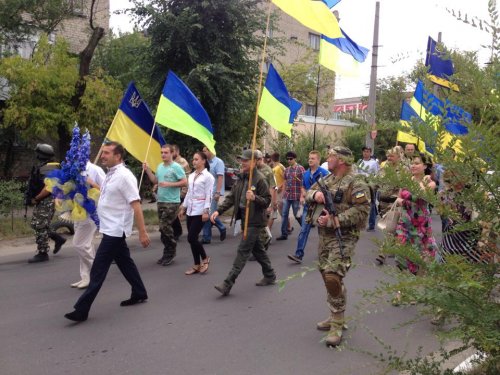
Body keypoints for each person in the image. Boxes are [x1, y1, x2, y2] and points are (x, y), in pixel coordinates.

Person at [64, 141, 150, 322]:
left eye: (106, 153)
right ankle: (139, 291)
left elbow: (136, 204)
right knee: (125, 262)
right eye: (102, 153)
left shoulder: (125, 176)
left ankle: (82, 309)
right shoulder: (112, 174)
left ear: (118, 156)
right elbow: (108, 193)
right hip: (110, 227)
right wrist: (92, 183)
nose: (102, 156)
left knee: (98, 270)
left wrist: (142, 232)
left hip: (116, 230)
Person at [305, 146, 370, 346]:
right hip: (324, 236)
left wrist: (335, 220)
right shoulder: (328, 180)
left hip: (344, 235)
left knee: (333, 275)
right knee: (327, 274)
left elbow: (362, 210)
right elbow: (308, 193)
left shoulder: (357, 182)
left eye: (331, 155)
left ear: (341, 160)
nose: (327, 158)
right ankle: (335, 314)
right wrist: (315, 196)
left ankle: (338, 323)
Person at [211, 149, 276, 296]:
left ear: (254, 162)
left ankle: (227, 283)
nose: (243, 163)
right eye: (242, 160)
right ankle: (270, 275)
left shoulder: (259, 179)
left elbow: (266, 201)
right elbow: (231, 198)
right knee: (258, 250)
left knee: (243, 250)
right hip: (244, 219)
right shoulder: (241, 178)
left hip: (254, 220)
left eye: (246, 160)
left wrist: (254, 198)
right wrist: (218, 211)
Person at [395, 153, 439, 275]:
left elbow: (420, 196)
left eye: (416, 163)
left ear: (425, 166)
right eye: (412, 163)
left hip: (421, 227)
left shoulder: (430, 182)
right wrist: (402, 200)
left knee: (418, 259)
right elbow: (398, 199)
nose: (413, 166)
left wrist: (421, 183)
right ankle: (401, 291)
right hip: (404, 224)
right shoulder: (406, 180)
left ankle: (413, 287)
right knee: (402, 259)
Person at [143, 144, 187, 266]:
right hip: (161, 201)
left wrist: (169, 184)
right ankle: (167, 252)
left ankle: (171, 248)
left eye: (166, 152)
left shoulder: (176, 167)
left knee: (164, 226)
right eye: (162, 152)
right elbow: (155, 181)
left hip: (172, 202)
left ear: (172, 153)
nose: (163, 155)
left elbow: (184, 182)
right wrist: (147, 170)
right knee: (163, 229)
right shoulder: (160, 167)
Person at [26, 143, 66, 263]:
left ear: (42, 154)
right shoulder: (46, 166)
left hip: (46, 200)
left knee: (38, 224)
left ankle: (43, 253)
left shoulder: (48, 167)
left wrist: (36, 198)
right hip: (45, 200)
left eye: (38, 153)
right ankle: (57, 238)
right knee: (40, 224)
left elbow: (49, 187)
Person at [288, 150, 328, 264]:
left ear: (318, 160)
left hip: (321, 207)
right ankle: (298, 254)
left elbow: (329, 189)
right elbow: (302, 187)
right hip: (308, 206)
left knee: (323, 231)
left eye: (313, 158)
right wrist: (302, 195)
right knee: (304, 230)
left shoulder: (325, 173)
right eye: (309, 158)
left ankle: (324, 253)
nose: (310, 160)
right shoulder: (305, 173)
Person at [70, 161, 106, 289]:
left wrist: (92, 183)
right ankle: (86, 277)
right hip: (77, 211)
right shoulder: (74, 168)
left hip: (91, 212)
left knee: (79, 244)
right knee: (86, 245)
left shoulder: (96, 170)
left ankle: (97, 272)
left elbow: (107, 190)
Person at [179, 151, 214, 275]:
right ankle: (196, 264)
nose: (194, 162)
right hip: (190, 210)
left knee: (192, 237)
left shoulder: (208, 177)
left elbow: (209, 195)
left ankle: (205, 258)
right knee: (191, 239)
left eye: (196, 159)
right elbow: (189, 193)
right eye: (193, 159)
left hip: (200, 210)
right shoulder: (192, 175)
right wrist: (183, 207)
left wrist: (206, 211)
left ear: (203, 161)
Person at [374, 147, 407, 265]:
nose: (389, 158)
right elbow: (376, 182)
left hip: (394, 203)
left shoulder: (404, 170)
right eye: (388, 155)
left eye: (391, 156)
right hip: (382, 202)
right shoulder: (384, 168)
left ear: (398, 156)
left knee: (390, 228)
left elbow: (404, 186)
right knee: (391, 229)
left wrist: (399, 198)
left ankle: (382, 254)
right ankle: (396, 249)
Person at [277, 151, 305, 241]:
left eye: (290, 159)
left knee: (297, 215)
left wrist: (302, 195)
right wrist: (283, 194)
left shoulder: (300, 168)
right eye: (287, 159)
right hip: (287, 195)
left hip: (296, 195)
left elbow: (304, 182)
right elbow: (285, 181)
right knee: (284, 214)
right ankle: (284, 234)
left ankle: (305, 229)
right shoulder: (287, 169)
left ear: (294, 159)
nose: (289, 160)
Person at [202, 146, 227, 244]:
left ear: (210, 151)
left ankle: (207, 236)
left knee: (209, 214)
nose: (203, 152)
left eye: (204, 151)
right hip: (206, 192)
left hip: (214, 192)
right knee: (207, 214)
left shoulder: (218, 162)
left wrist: (218, 192)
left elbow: (220, 177)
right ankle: (219, 228)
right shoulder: (206, 162)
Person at [255, 150, 277, 251]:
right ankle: (262, 241)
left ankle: (264, 243)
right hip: (255, 199)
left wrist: (270, 205)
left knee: (260, 223)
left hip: (264, 199)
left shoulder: (268, 170)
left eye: (255, 160)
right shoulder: (254, 169)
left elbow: (272, 188)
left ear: (260, 159)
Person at [356, 146, 380, 231]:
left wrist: (374, 184)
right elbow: (357, 173)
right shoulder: (359, 162)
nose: (366, 153)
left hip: (370, 186)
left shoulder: (374, 163)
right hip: (361, 186)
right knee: (359, 202)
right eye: (364, 151)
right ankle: (359, 223)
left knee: (372, 204)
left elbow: (377, 174)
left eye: (368, 151)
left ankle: (371, 224)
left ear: (370, 153)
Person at [172, 144, 191, 240]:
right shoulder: (172, 162)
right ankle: (176, 231)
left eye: (173, 151)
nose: (171, 153)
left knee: (175, 211)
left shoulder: (182, 162)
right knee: (173, 212)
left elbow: (186, 178)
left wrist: (184, 192)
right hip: (174, 192)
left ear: (178, 152)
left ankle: (178, 231)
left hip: (182, 191)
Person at [268, 152, 285, 231]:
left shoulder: (280, 167)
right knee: (279, 211)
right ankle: (287, 227)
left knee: (278, 210)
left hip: (279, 192)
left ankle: (287, 227)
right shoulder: (273, 167)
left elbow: (286, 179)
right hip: (274, 191)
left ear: (272, 158)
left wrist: (280, 187)